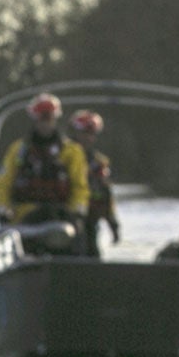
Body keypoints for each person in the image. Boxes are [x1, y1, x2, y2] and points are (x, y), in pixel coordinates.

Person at [0, 92, 90, 253]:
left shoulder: (71, 152)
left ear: (55, 118)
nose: (45, 124)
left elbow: (80, 186)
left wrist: (76, 213)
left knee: (76, 244)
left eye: (48, 118)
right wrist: (4, 211)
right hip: (26, 218)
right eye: (41, 119)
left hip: (61, 217)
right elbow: (3, 182)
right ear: (34, 119)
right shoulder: (18, 150)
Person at [67, 109, 120, 257]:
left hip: (90, 222)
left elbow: (106, 195)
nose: (87, 138)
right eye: (84, 132)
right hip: (65, 219)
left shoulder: (99, 163)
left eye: (91, 133)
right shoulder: (63, 157)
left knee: (92, 255)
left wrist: (113, 224)